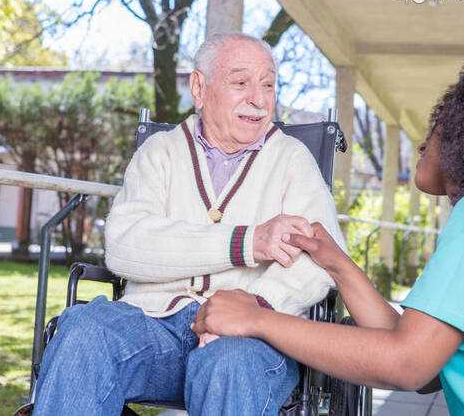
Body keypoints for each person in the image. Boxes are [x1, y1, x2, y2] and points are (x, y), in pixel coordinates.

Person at [193, 59, 464, 415]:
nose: (422, 141)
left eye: (437, 127)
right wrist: (339, 267)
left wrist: (258, 320)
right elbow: (428, 366)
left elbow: (406, 364)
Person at [31, 32, 347, 415]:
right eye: (241, 82)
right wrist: (246, 242)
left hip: (252, 339)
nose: (259, 99)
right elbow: (125, 244)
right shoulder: (160, 152)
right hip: (152, 326)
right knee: (84, 331)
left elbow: (321, 261)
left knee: (228, 363)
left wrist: (254, 308)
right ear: (200, 87)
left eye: (268, 84)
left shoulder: (292, 160)